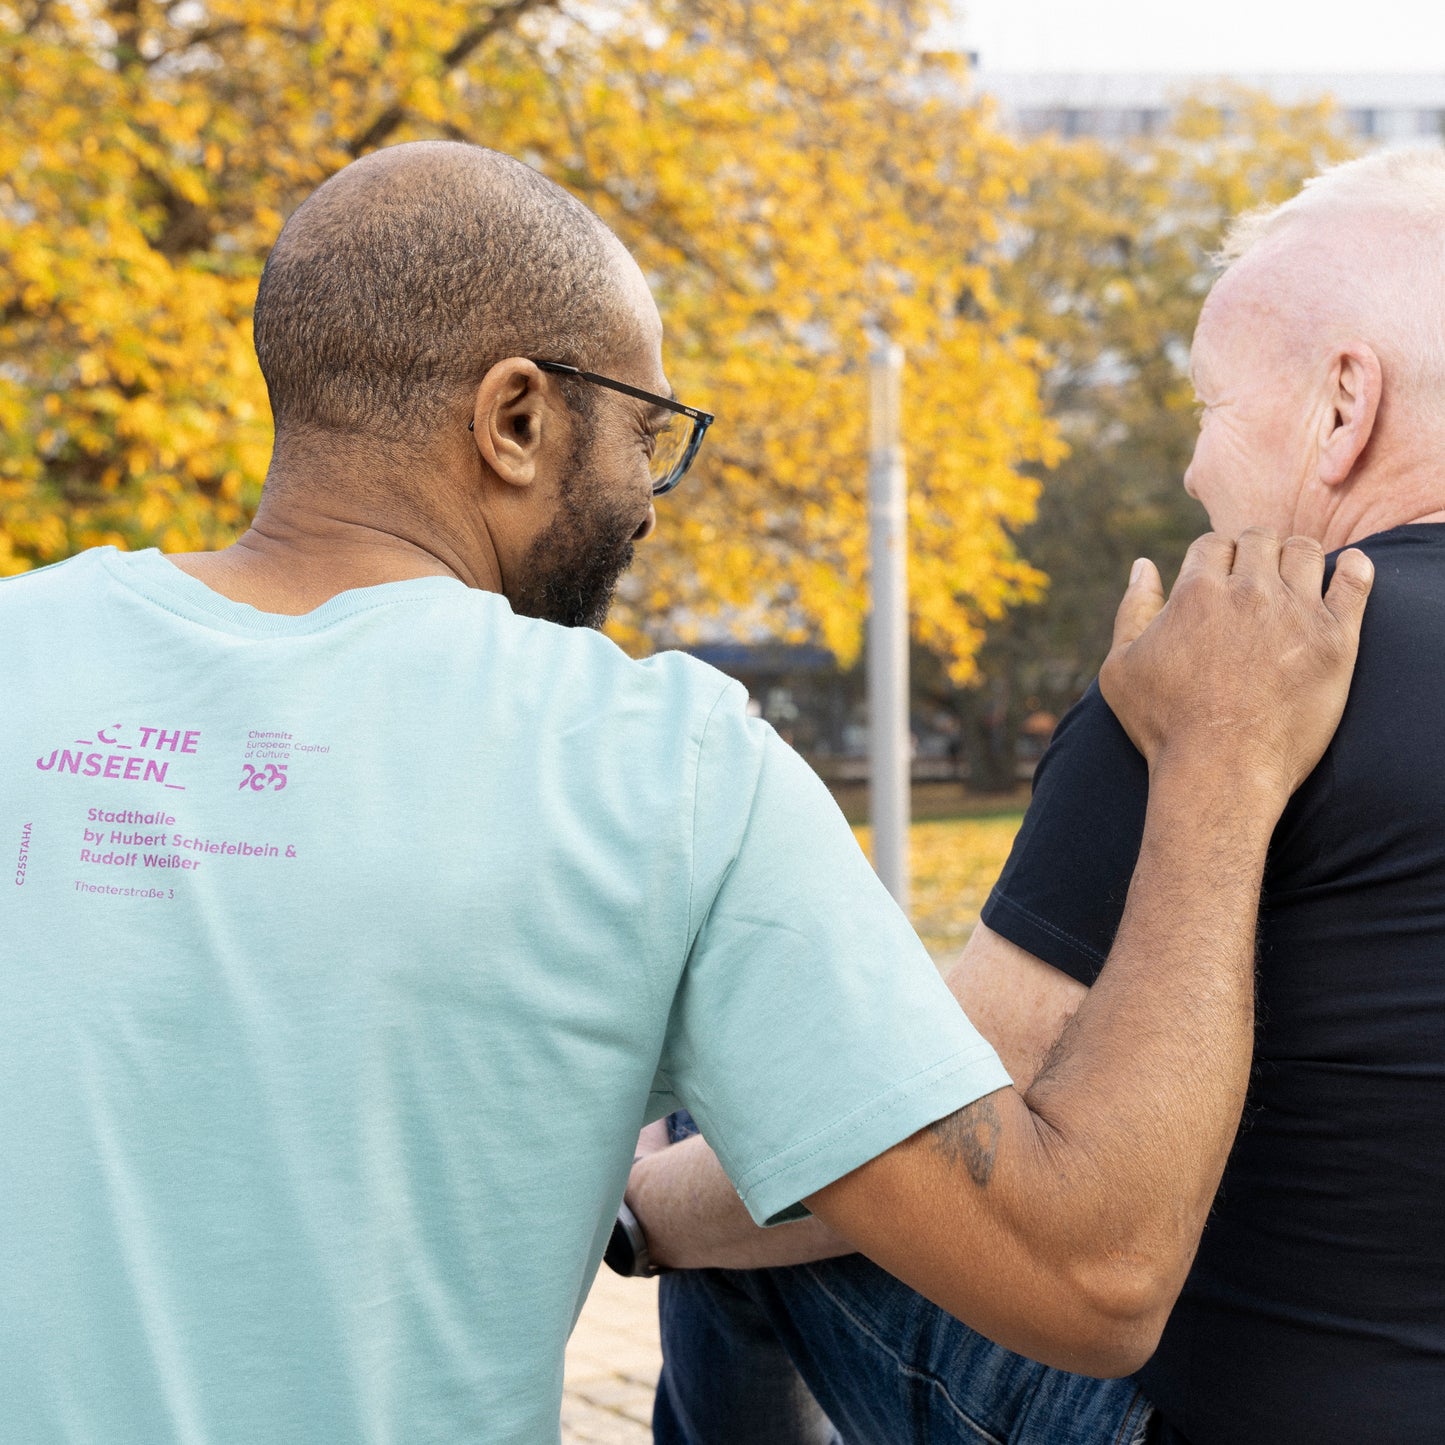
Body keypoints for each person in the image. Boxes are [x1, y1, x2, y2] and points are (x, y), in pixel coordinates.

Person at [0, 140, 1369, 1445]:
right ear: (517, 418)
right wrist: (1219, 767)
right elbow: (1092, 1272)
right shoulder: (658, 767)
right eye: (644, 429)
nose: (651, 495)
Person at [632, 147, 1445, 1445]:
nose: (1191, 471)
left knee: (752, 1132)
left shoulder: (1225, 677)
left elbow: (929, 1103)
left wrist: (639, 1217)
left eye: (1207, 406)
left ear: (1341, 406)